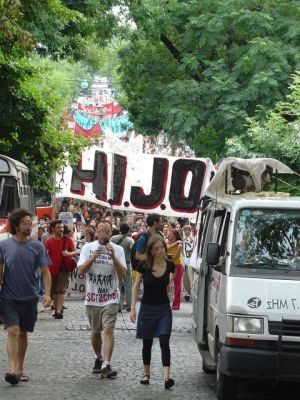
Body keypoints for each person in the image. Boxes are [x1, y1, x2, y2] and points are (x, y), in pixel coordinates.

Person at [0, 208, 51, 385]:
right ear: (15, 225)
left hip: (29, 296)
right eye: (25, 223)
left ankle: (20, 369)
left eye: (31, 222)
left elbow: (45, 272)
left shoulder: (37, 246)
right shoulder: (4, 246)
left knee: (22, 332)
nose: (29, 225)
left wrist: (48, 294)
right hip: (8, 296)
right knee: (12, 331)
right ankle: (12, 370)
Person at [77, 220, 126, 378]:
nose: (103, 233)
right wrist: (93, 258)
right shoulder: (87, 248)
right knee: (95, 332)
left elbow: (123, 273)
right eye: (100, 230)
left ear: (111, 233)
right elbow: (81, 271)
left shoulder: (117, 249)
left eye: (106, 231)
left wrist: (113, 257)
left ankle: (106, 363)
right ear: (96, 232)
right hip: (93, 298)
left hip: (110, 297)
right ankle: (99, 357)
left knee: (109, 329)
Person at [130, 235, 175, 389]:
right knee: (147, 343)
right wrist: (132, 308)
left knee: (164, 341)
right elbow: (136, 286)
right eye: (155, 249)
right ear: (151, 250)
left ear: (165, 247)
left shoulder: (170, 265)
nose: (159, 251)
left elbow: (170, 281)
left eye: (161, 248)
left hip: (163, 309)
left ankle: (166, 378)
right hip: (147, 308)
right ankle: (146, 374)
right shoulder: (144, 265)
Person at [44, 220, 76, 319]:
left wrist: (68, 254)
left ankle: (58, 311)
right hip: (51, 270)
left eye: (62, 227)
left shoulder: (68, 240)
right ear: (53, 229)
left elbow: (75, 252)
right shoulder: (48, 242)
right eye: (58, 227)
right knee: (54, 291)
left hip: (63, 269)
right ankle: (57, 307)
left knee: (60, 290)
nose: (61, 229)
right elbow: (45, 255)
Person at [110, 223, 134, 312]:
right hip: (126, 264)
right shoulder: (130, 240)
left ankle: (118, 305)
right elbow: (133, 251)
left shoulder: (113, 238)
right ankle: (128, 305)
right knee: (128, 285)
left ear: (120, 229)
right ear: (128, 231)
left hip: (116, 263)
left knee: (118, 284)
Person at [167, 229, 183, 310]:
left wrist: (166, 256)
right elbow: (166, 248)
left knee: (177, 286)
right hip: (167, 266)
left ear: (175, 236)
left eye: (171, 233)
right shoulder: (166, 242)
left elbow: (174, 257)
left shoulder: (179, 246)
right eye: (168, 233)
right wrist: (176, 243)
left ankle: (176, 304)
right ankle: (165, 303)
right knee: (165, 284)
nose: (168, 235)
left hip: (177, 266)